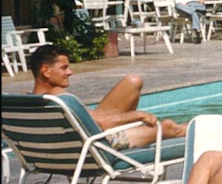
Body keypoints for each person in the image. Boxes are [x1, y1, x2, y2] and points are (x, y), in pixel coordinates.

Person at [29, 44, 187, 149]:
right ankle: (206, 126)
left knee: (133, 81)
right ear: (46, 71)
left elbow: (97, 121)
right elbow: (103, 124)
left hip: (75, 143)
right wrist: (139, 115)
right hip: (99, 145)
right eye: (64, 68)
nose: (70, 72)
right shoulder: (61, 99)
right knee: (170, 127)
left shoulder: (25, 101)